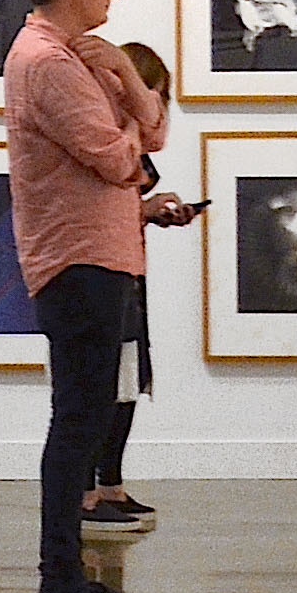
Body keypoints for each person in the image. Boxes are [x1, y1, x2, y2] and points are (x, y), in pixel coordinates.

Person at [3, 0, 190, 593]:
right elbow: (118, 158)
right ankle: (59, 581)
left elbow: (152, 134)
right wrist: (135, 158)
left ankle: (67, 577)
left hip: (98, 255)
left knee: (82, 420)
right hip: (77, 259)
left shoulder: (80, 59)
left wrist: (123, 72)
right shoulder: (46, 63)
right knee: (77, 423)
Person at [81, 41, 178, 539]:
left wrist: (153, 211)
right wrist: (147, 208)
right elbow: (98, 208)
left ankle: (110, 484)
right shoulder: (101, 144)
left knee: (125, 382)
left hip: (126, 271)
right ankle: (87, 494)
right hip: (101, 273)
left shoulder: (130, 150)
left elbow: (128, 202)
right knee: (98, 387)